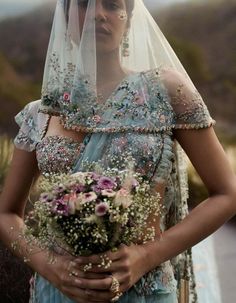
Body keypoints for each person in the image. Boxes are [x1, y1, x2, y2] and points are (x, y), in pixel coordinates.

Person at [0, 0, 235, 302]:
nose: (98, 14)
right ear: (66, 17)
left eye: (111, 4)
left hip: (144, 290)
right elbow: (6, 213)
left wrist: (147, 256)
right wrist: (51, 267)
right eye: (84, 3)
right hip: (58, 291)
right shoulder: (40, 114)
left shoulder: (167, 92)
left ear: (128, 18)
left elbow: (227, 193)